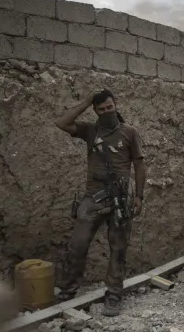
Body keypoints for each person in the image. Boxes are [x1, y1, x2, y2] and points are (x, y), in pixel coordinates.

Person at [53, 89, 146, 317]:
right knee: (77, 245)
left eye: (109, 107)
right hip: (92, 198)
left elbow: (139, 164)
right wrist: (87, 101)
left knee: (118, 248)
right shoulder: (90, 130)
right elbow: (62, 123)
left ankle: (114, 294)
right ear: (95, 110)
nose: (107, 111)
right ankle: (68, 290)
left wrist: (139, 196)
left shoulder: (129, 132)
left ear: (116, 105)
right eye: (101, 109)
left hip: (119, 199)